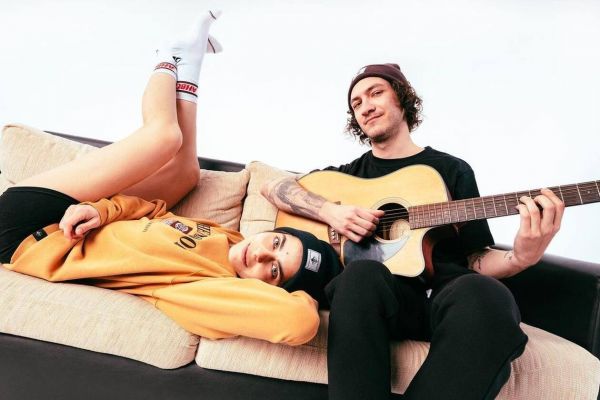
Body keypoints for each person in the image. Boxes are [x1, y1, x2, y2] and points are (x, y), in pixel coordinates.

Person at [0, 11, 342, 347]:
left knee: (164, 136)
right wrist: (101, 211)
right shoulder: (227, 238)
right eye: (277, 244)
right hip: (75, 218)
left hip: (27, 237)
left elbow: (298, 322)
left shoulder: (210, 289)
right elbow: (153, 213)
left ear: (270, 290)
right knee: (186, 173)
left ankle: (169, 55)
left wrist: (314, 294)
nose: (261, 254)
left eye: (273, 271)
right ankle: (189, 62)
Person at [261, 63, 565, 399]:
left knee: (488, 295)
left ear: (403, 98)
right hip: (377, 298)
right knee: (359, 275)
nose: (366, 107)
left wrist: (520, 257)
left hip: (443, 299)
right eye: (357, 104)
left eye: (376, 93)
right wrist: (330, 211)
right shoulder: (350, 176)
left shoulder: (451, 170)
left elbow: (475, 258)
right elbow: (273, 187)